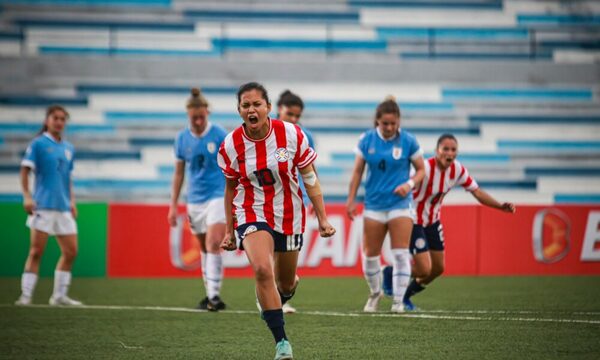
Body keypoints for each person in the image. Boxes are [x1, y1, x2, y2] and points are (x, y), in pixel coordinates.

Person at [218, 82, 336, 360]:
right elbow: (230, 189)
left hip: (289, 215)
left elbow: (309, 178)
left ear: (268, 107)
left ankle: (273, 299)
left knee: (285, 285)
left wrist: (322, 218)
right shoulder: (231, 145)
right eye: (245, 105)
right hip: (252, 210)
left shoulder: (292, 135)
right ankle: (282, 343)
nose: (251, 109)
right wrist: (229, 230)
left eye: (257, 104)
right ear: (239, 110)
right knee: (262, 270)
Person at [382, 134, 516, 310]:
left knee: (438, 269)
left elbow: (477, 192)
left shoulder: (457, 170)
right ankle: (390, 272)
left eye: (453, 150)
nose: (449, 153)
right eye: (445, 149)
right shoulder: (425, 169)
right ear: (437, 151)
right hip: (414, 220)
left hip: (433, 221)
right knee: (424, 269)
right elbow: (404, 186)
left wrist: (500, 206)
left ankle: (406, 296)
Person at [346, 96, 425, 313]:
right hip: (373, 205)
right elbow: (357, 171)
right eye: (385, 123)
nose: (389, 127)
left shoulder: (409, 141)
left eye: (393, 123)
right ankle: (375, 293)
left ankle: (398, 301)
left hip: (400, 205)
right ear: (377, 122)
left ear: (399, 121)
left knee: (400, 253)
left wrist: (409, 185)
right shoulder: (367, 140)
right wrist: (351, 200)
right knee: (371, 255)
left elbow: (421, 170)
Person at [167, 88, 229, 311]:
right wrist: (173, 205)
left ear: (207, 113)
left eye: (202, 116)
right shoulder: (182, 139)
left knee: (214, 242)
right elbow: (179, 173)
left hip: (217, 195)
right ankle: (209, 293)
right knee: (203, 247)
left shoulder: (220, 134)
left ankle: (214, 296)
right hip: (194, 199)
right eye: (195, 117)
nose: (199, 120)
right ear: (188, 115)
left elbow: (233, 165)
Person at [15, 105, 82, 306]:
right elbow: (25, 170)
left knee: (71, 252)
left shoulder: (69, 148)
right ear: (47, 120)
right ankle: (26, 296)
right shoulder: (38, 144)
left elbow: (67, 177)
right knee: (36, 251)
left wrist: (72, 200)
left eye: (63, 119)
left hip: (63, 207)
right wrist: (27, 196)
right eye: (56, 118)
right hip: (42, 205)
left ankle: (59, 296)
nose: (59, 122)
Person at [275, 89, 314, 314]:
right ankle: (269, 298)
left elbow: (310, 170)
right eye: (290, 114)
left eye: (297, 116)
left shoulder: (303, 135)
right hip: (269, 201)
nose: (294, 120)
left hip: (297, 202)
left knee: (286, 255)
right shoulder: (266, 133)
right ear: (279, 109)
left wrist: (314, 200)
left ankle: (281, 296)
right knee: (271, 251)